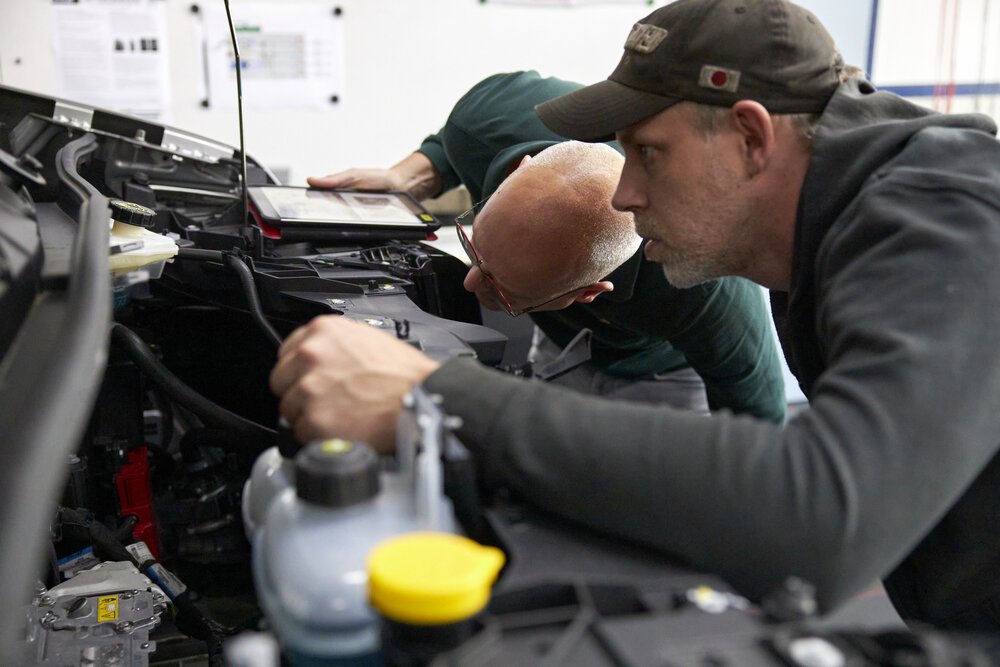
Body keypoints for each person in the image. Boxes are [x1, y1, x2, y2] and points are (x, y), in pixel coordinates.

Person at [271, 0, 1000, 633]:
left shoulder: (947, 223)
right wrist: (411, 173)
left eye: (650, 153)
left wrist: (432, 394)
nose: (623, 193)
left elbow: (823, 520)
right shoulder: (831, 211)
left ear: (752, 137)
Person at [309, 71, 786, 421]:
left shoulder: (705, 287)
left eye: (503, 291)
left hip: (663, 372)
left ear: (588, 292)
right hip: (565, 344)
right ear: (519, 171)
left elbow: (756, 427)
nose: (471, 283)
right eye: (475, 249)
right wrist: (406, 176)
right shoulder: (489, 116)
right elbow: (453, 143)